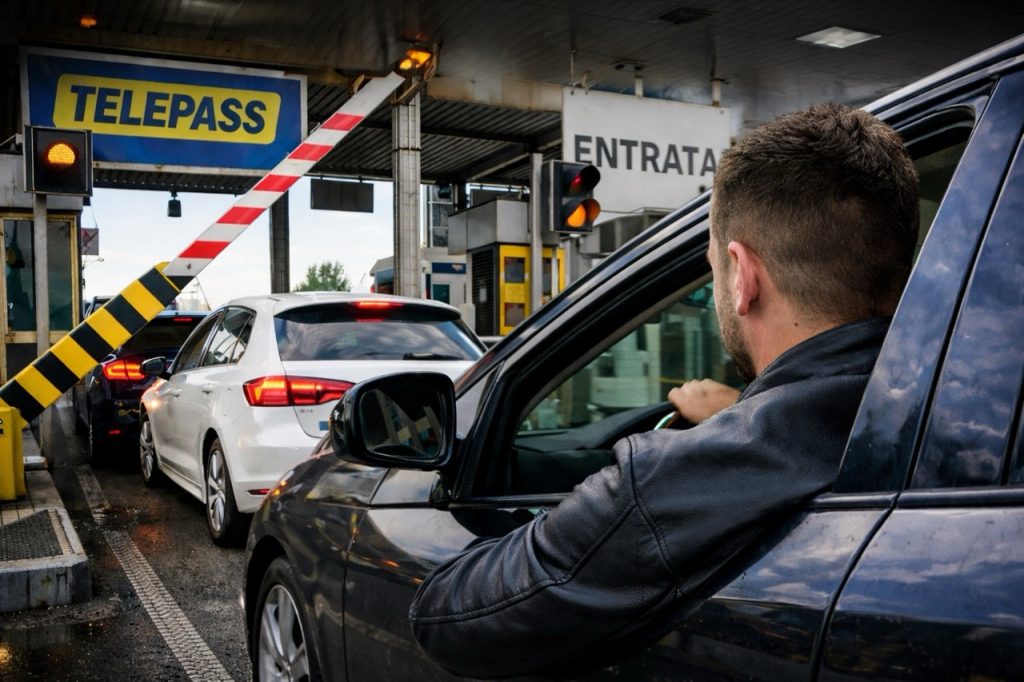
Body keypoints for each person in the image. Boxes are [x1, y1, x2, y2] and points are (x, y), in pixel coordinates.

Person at [408, 102, 919, 679]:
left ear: (741, 275)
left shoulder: (672, 481)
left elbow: (446, 617)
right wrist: (747, 409)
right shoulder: (937, 403)